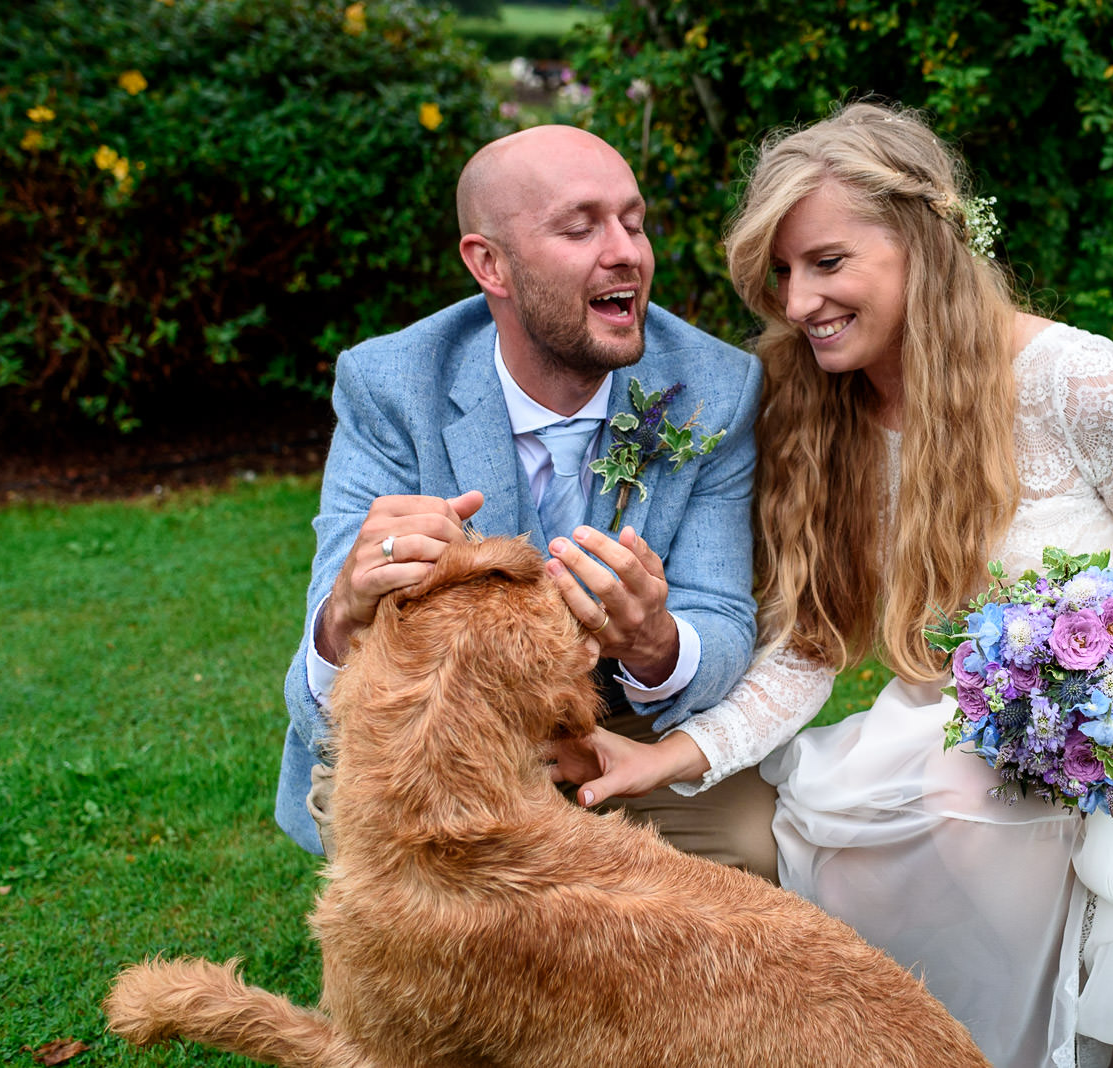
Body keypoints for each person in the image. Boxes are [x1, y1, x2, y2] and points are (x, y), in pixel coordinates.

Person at [557, 103, 1113, 1067]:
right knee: (839, 831)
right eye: (780, 273)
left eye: (826, 263)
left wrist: (1104, 684)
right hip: (943, 721)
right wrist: (675, 753)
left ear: (921, 245)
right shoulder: (816, 412)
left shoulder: (1079, 383)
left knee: (961, 799)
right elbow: (810, 644)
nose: (798, 301)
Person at [274, 124, 778, 886]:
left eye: (634, 223)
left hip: (626, 727)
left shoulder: (715, 386)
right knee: (452, 912)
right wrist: (343, 609)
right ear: (490, 264)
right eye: (580, 227)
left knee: (752, 844)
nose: (627, 253)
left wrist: (657, 642)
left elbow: (723, 621)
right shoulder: (391, 384)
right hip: (439, 726)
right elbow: (319, 692)